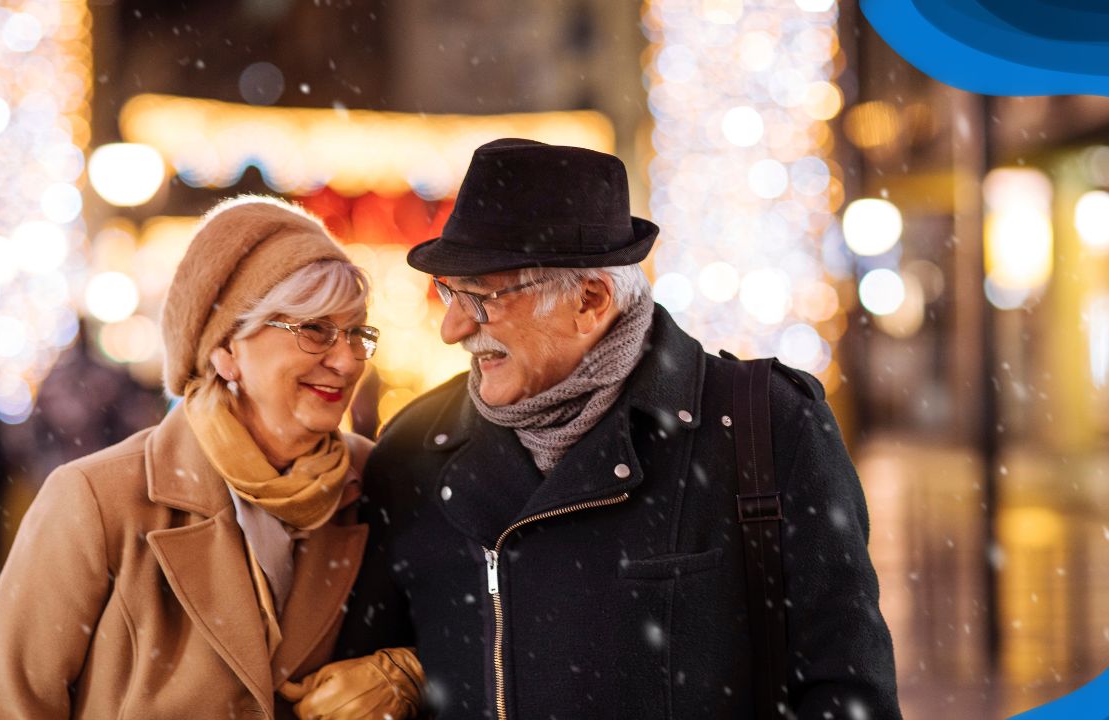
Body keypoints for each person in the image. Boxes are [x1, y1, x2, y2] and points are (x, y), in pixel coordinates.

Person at [326, 139, 901, 718]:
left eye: (479, 298)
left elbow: (847, 690)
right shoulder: (411, 453)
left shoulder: (765, 428)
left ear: (591, 300)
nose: (451, 329)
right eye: (449, 292)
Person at [0, 197, 422, 719]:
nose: (346, 359)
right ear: (225, 349)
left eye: (358, 333)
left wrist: (410, 672)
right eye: (314, 330)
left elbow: (481, 635)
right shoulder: (97, 499)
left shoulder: (376, 481)